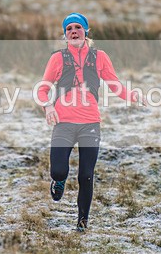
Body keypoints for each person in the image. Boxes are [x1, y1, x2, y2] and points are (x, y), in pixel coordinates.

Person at [37, 13, 142, 232]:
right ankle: (58, 182)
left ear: (86, 31)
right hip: (63, 122)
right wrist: (48, 106)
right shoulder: (57, 58)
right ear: (65, 34)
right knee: (58, 170)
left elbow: (115, 85)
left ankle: (82, 222)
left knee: (86, 175)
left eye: (77, 27)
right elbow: (43, 87)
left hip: (90, 123)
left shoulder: (100, 56)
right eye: (69, 29)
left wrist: (134, 96)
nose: (73, 31)